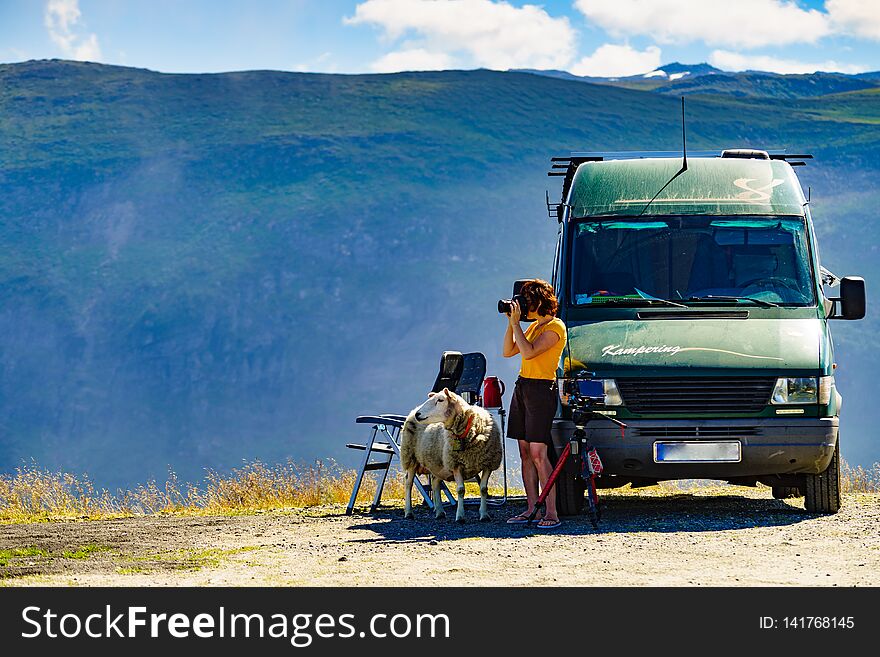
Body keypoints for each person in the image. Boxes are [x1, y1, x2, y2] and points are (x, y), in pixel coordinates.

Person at [501, 279, 567, 529]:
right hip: (523, 387)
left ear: (538, 302)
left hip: (541, 390)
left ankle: (551, 512)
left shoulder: (555, 327)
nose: (523, 307)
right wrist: (511, 324)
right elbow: (508, 351)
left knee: (540, 454)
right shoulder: (534, 327)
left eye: (526, 302)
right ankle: (532, 509)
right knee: (525, 452)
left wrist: (517, 323)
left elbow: (528, 353)